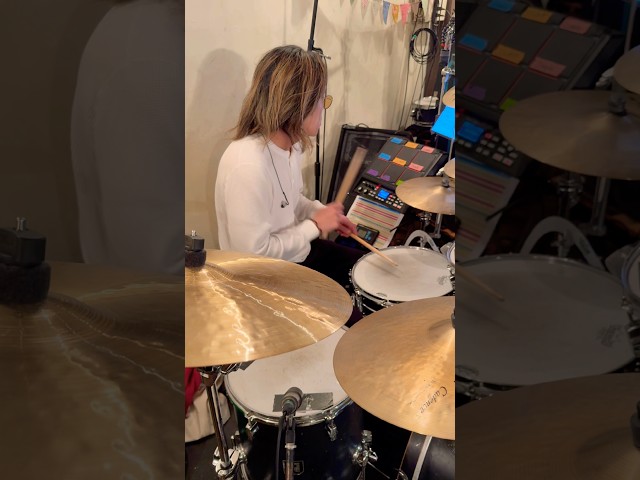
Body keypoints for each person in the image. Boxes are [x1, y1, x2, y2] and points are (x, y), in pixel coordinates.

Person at [215, 45, 365, 303]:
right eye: (322, 100)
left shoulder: (291, 146)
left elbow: (290, 200)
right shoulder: (248, 165)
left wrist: (319, 212)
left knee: (366, 267)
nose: (324, 108)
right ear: (297, 104)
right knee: (356, 319)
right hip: (262, 284)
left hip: (294, 255)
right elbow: (254, 256)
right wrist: (315, 226)